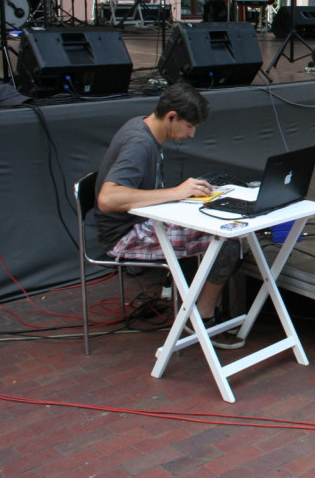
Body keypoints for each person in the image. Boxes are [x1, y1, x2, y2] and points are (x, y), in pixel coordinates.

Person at [95, 83, 244, 349]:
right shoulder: (140, 143)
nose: (191, 134)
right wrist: (176, 192)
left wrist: (180, 195)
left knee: (217, 224)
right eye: (189, 126)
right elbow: (107, 199)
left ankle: (182, 291)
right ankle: (201, 318)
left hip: (140, 220)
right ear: (171, 116)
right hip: (124, 235)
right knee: (228, 241)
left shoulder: (140, 126)